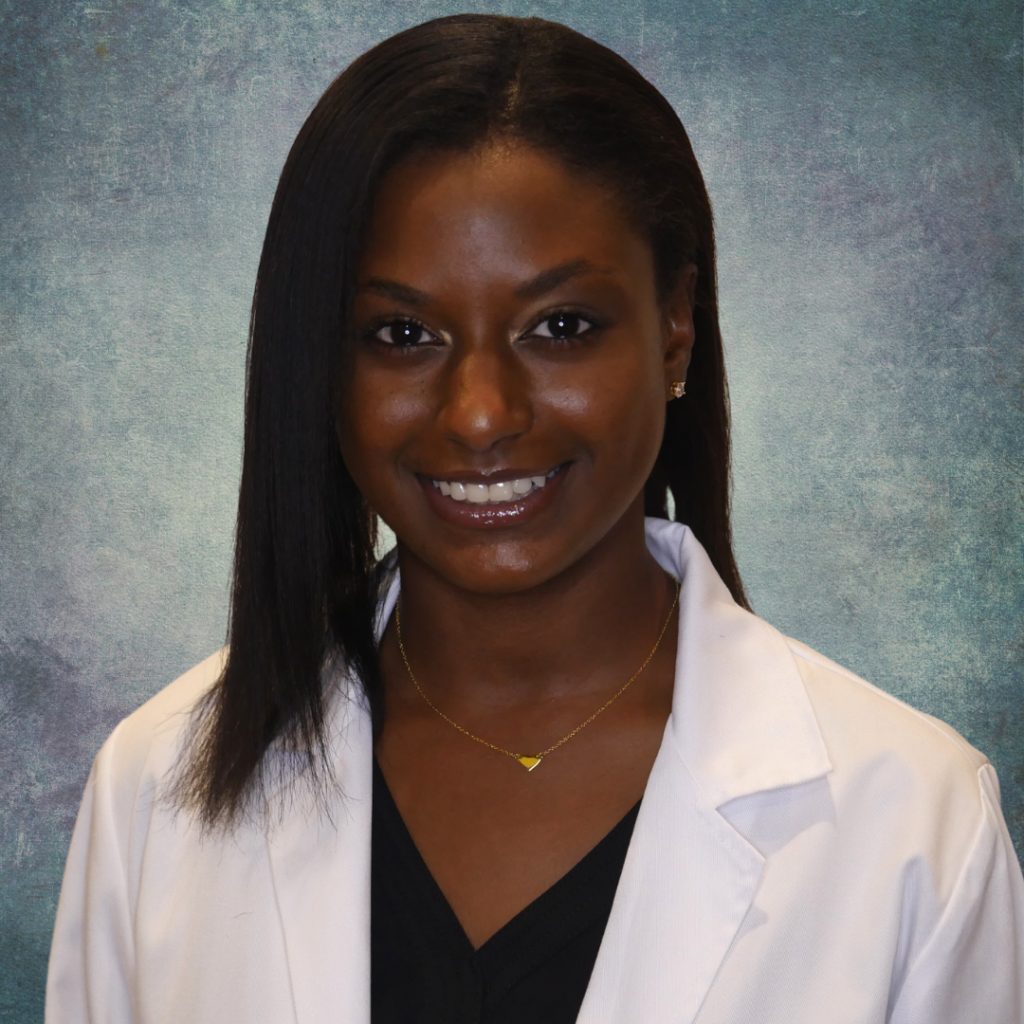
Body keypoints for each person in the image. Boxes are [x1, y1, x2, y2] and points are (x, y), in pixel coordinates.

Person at [45, 14, 1024, 1024]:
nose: (480, 414)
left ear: (675, 329)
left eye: (561, 326)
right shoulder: (153, 789)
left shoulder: (915, 823)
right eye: (402, 333)